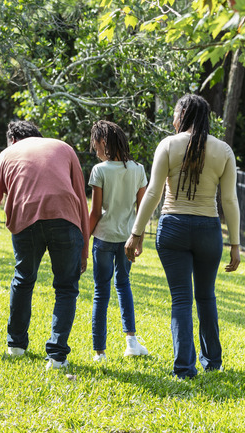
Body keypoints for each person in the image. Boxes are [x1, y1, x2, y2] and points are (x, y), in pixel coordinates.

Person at [0, 120, 90, 371]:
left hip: (26, 222)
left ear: (12, 140)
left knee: (23, 280)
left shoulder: (6, 155)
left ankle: (16, 346)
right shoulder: (64, 148)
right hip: (66, 220)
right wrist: (84, 249)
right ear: (38, 136)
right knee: (66, 288)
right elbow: (80, 199)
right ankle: (57, 357)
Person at [124, 94, 241, 379]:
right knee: (206, 297)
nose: (173, 120)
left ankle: (184, 368)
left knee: (181, 300)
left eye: (176, 114)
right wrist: (235, 244)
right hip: (208, 230)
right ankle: (213, 362)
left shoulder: (168, 145)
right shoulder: (223, 150)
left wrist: (136, 233)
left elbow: (153, 192)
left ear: (184, 114)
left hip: (173, 227)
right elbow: (229, 201)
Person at [87, 121, 149, 362]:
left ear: (104, 142)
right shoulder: (138, 169)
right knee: (123, 285)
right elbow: (142, 209)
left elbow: (95, 212)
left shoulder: (99, 170)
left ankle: (100, 353)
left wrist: (84, 243)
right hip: (127, 239)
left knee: (101, 293)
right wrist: (139, 239)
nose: (95, 151)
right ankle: (131, 343)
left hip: (103, 238)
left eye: (96, 145)